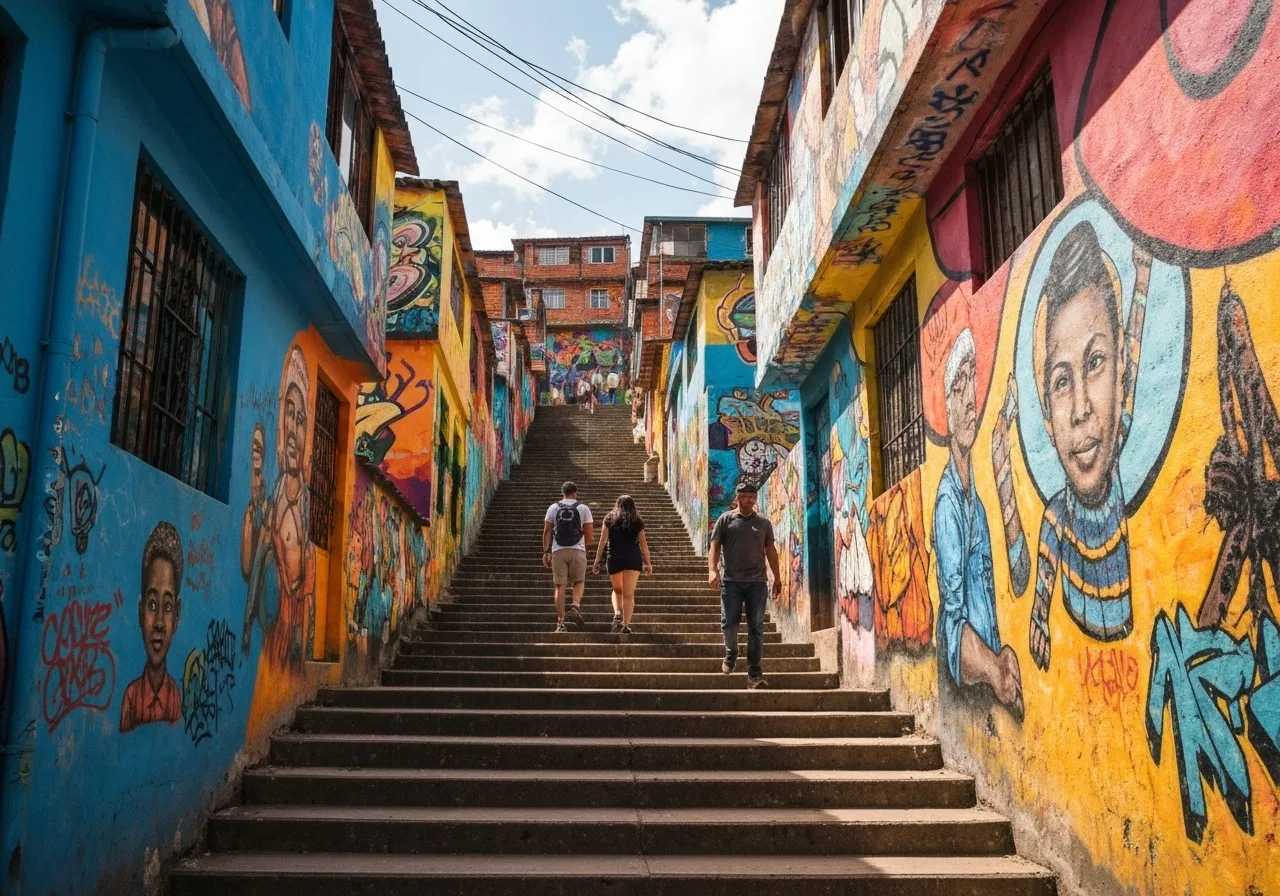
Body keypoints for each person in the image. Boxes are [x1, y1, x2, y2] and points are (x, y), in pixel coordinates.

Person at [933, 329, 1024, 715]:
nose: (970, 399)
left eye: (972, 380)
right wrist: (993, 669)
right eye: (959, 386)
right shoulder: (948, 505)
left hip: (984, 683)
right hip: (966, 692)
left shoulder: (977, 503)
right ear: (946, 407)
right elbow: (954, 623)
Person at [708, 482, 782, 688]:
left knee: (756, 627)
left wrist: (777, 577)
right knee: (729, 623)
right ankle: (731, 652)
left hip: (757, 583)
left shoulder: (763, 523)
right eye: (746, 496)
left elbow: (770, 551)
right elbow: (715, 547)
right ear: (738, 498)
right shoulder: (725, 520)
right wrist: (713, 570)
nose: (750, 500)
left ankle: (754, 674)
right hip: (731, 582)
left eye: (753, 497)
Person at [120, 522, 184, 731]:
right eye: (152, 605)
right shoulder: (131, 697)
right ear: (140, 611)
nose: (158, 623)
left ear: (177, 616)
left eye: (168, 606)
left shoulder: (175, 698)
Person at [593, 495, 653, 634]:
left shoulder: (609, 518)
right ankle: (625, 625)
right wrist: (648, 563)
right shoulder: (636, 520)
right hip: (632, 558)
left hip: (614, 558)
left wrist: (597, 560)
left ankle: (617, 613)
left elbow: (602, 541)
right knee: (628, 595)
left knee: (617, 590)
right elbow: (643, 544)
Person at [543, 481, 594, 632]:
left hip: (558, 551)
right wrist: (584, 545)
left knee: (560, 586)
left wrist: (546, 552)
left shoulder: (553, 508)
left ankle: (561, 622)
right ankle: (575, 605)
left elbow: (547, 531)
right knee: (578, 581)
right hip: (578, 550)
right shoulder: (583, 508)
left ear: (563, 493)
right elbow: (589, 535)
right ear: (575, 492)